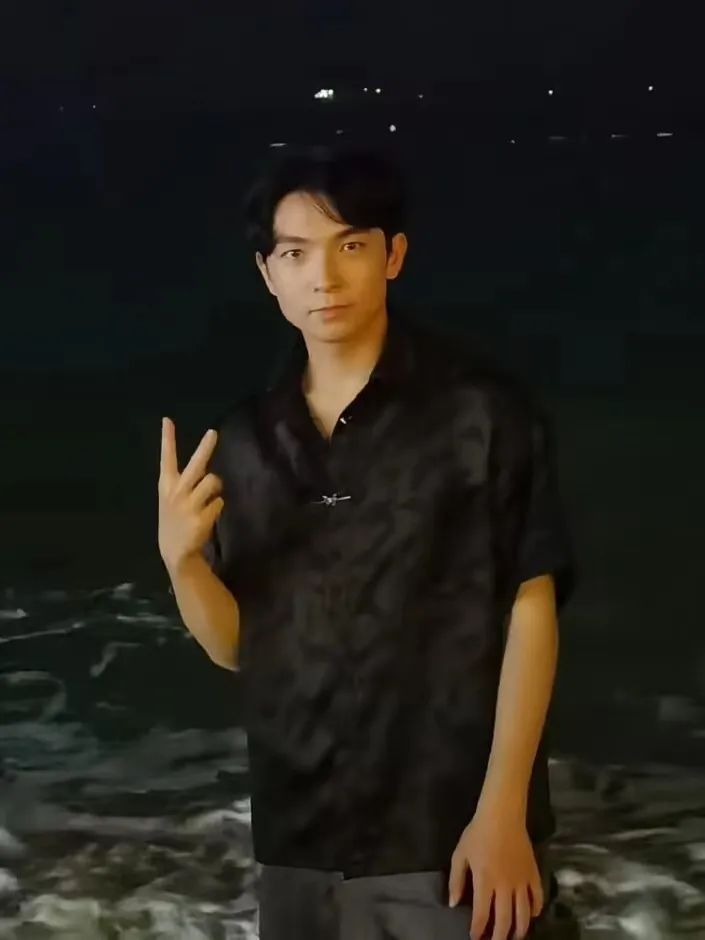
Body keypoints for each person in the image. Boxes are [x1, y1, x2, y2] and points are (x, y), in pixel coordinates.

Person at [158, 144, 578, 940]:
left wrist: (502, 814)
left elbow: (530, 610)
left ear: (393, 255)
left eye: (349, 245)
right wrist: (182, 563)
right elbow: (243, 650)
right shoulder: (246, 441)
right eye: (294, 253)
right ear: (267, 274)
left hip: (447, 836)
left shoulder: (481, 414)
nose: (323, 276)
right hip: (298, 843)